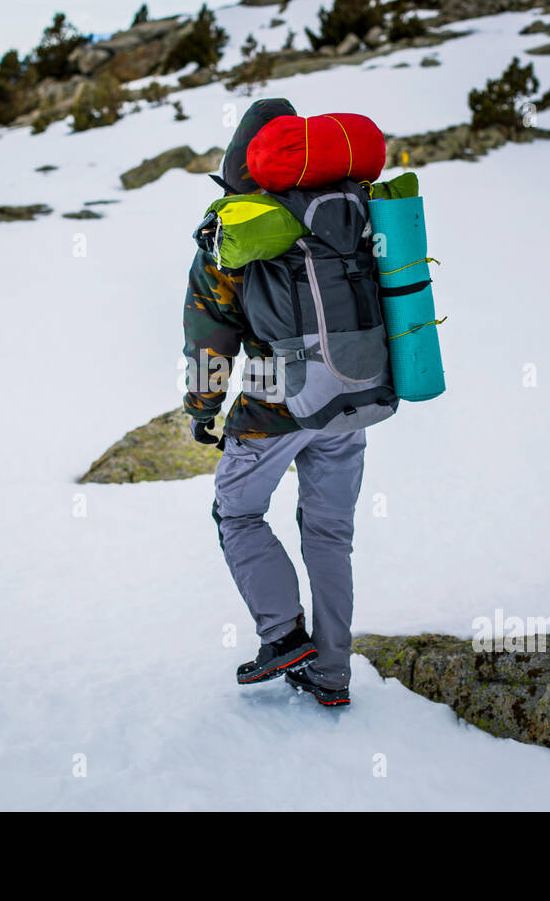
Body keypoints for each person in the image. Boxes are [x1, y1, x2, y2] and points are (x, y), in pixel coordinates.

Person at [181, 99, 369, 707]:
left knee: (236, 513)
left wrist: (203, 406)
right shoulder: (349, 205)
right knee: (330, 533)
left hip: (272, 400)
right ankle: (332, 673)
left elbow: (211, 331)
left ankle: (283, 635)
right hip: (350, 392)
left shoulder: (234, 227)